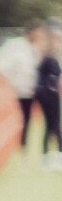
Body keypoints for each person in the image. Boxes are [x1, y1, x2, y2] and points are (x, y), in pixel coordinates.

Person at [0, 22, 43, 154]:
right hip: (24, 90)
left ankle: (49, 151)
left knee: (51, 118)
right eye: (37, 32)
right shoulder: (16, 46)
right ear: (31, 32)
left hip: (41, 89)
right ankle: (24, 149)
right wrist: (13, 80)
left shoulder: (41, 47)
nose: (39, 35)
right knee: (26, 119)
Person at [36, 25, 61, 170]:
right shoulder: (49, 58)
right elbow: (50, 80)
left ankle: (51, 156)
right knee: (53, 125)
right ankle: (51, 157)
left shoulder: (48, 57)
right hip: (49, 96)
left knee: (53, 126)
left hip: (49, 95)